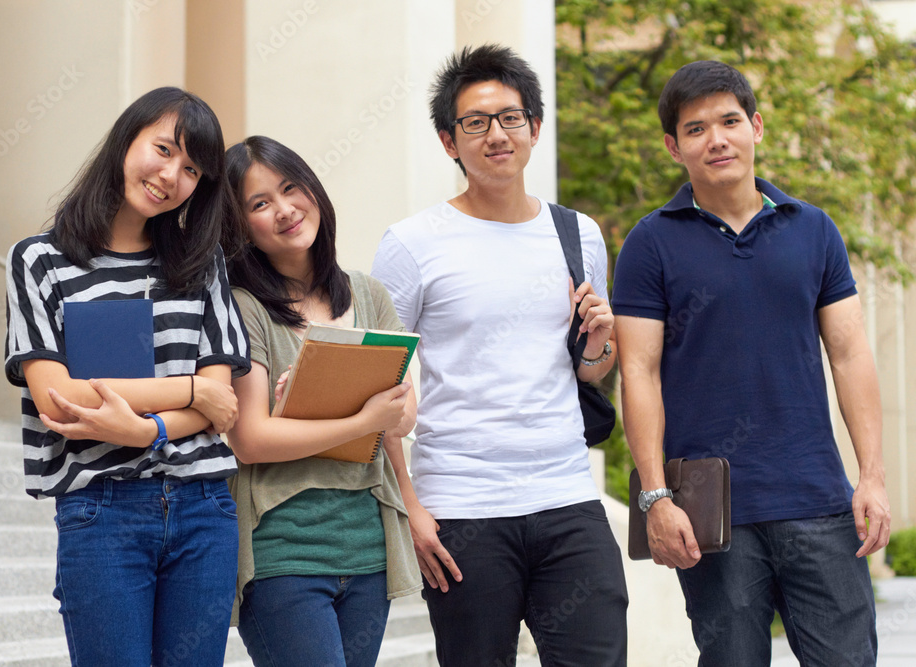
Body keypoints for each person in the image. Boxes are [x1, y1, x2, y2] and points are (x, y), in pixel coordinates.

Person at [613, 60, 890, 666]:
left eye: (730, 120)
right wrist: (654, 497)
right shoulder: (650, 243)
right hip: (713, 515)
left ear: (756, 127)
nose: (716, 138)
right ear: (673, 146)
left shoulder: (814, 230)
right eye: (695, 128)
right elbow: (639, 372)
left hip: (818, 500)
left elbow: (849, 355)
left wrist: (870, 475)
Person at [371, 44, 628, 666]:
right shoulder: (411, 245)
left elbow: (589, 370)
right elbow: (377, 389)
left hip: (567, 499)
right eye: (475, 122)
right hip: (463, 510)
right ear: (448, 140)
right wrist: (411, 507)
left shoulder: (578, 234)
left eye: (511, 118)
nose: (496, 134)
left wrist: (599, 346)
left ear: (534, 129)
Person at [4, 87, 251, 667]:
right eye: (163, 150)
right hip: (101, 510)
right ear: (126, 140)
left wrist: (147, 431)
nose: (171, 175)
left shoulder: (202, 261)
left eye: (192, 169)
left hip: (203, 509)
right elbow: (59, 398)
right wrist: (190, 392)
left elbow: (227, 403)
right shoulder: (39, 261)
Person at [223, 135, 422, 667]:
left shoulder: (368, 294)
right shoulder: (244, 307)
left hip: (366, 549)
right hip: (283, 552)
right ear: (240, 226)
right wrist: (361, 417)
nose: (284, 210)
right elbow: (252, 438)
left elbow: (401, 418)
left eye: (290, 188)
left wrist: (331, 413)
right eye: (259, 204)